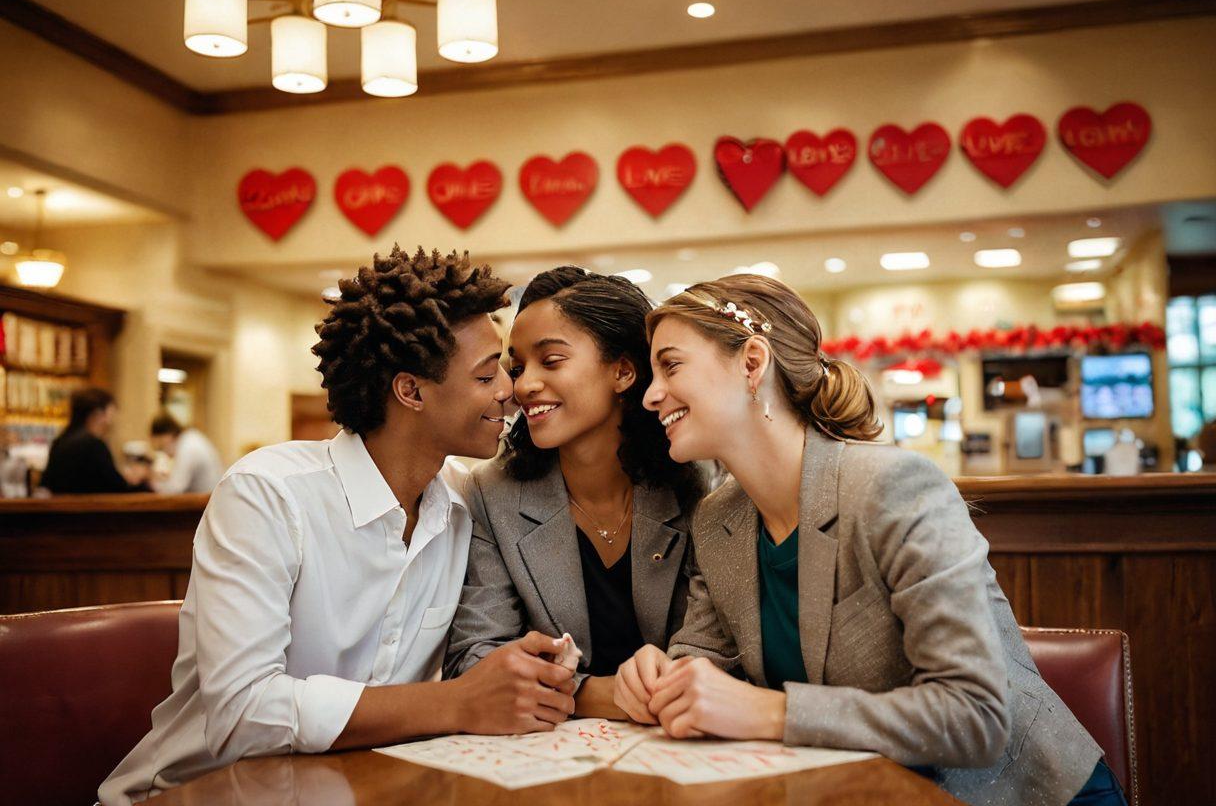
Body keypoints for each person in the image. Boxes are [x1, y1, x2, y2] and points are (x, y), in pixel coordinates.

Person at [614, 274, 1124, 806]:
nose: (650, 395)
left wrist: (769, 711)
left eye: (670, 366)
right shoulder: (718, 517)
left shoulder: (894, 489)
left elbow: (976, 715)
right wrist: (664, 679)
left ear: (752, 363)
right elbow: (703, 655)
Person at [100, 247, 578, 806]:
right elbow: (242, 714)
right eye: (484, 373)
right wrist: (458, 701)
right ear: (411, 391)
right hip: (196, 792)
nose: (509, 389)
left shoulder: (464, 502)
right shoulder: (268, 495)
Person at [445, 267, 704, 720]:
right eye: (519, 367)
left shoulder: (698, 482)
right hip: (550, 759)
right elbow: (475, 657)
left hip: (686, 743)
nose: (522, 386)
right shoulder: (492, 492)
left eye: (552, 360)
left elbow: (720, 649)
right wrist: (605, 696)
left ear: (623, 370)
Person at [40, 387, 150, 494]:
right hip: (91, 510)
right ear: (98, 413)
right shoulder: (93, 445)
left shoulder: (60, 442)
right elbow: (117, 488)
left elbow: (46, 483)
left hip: (61, 510)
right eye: (111, 412)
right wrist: (143, 483)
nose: (112, 419)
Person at [148, 412, 225, 494]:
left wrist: (151, 478)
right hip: (209, 498)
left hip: (207, 501)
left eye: (161, 447)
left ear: (167, 437)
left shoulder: (188, 447)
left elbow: (175, 489)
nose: (164, 453)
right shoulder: (190, 438)